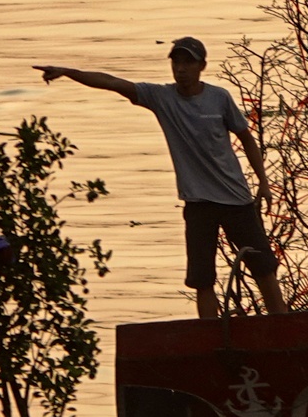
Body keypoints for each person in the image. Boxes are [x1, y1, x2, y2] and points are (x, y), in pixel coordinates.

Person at [35, 37, 287, 317]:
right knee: (202, 279)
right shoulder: (162, 97)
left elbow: (247, 138)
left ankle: (283, 328)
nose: (180, 68)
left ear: (202, 66)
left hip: (236, 199)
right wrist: (68, 72)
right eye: (176, 61)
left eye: (188, 62)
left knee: (264, 269)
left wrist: (263, 183)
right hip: (199, 204)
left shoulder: (219, 98)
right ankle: (211, 340)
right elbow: (112, 82)